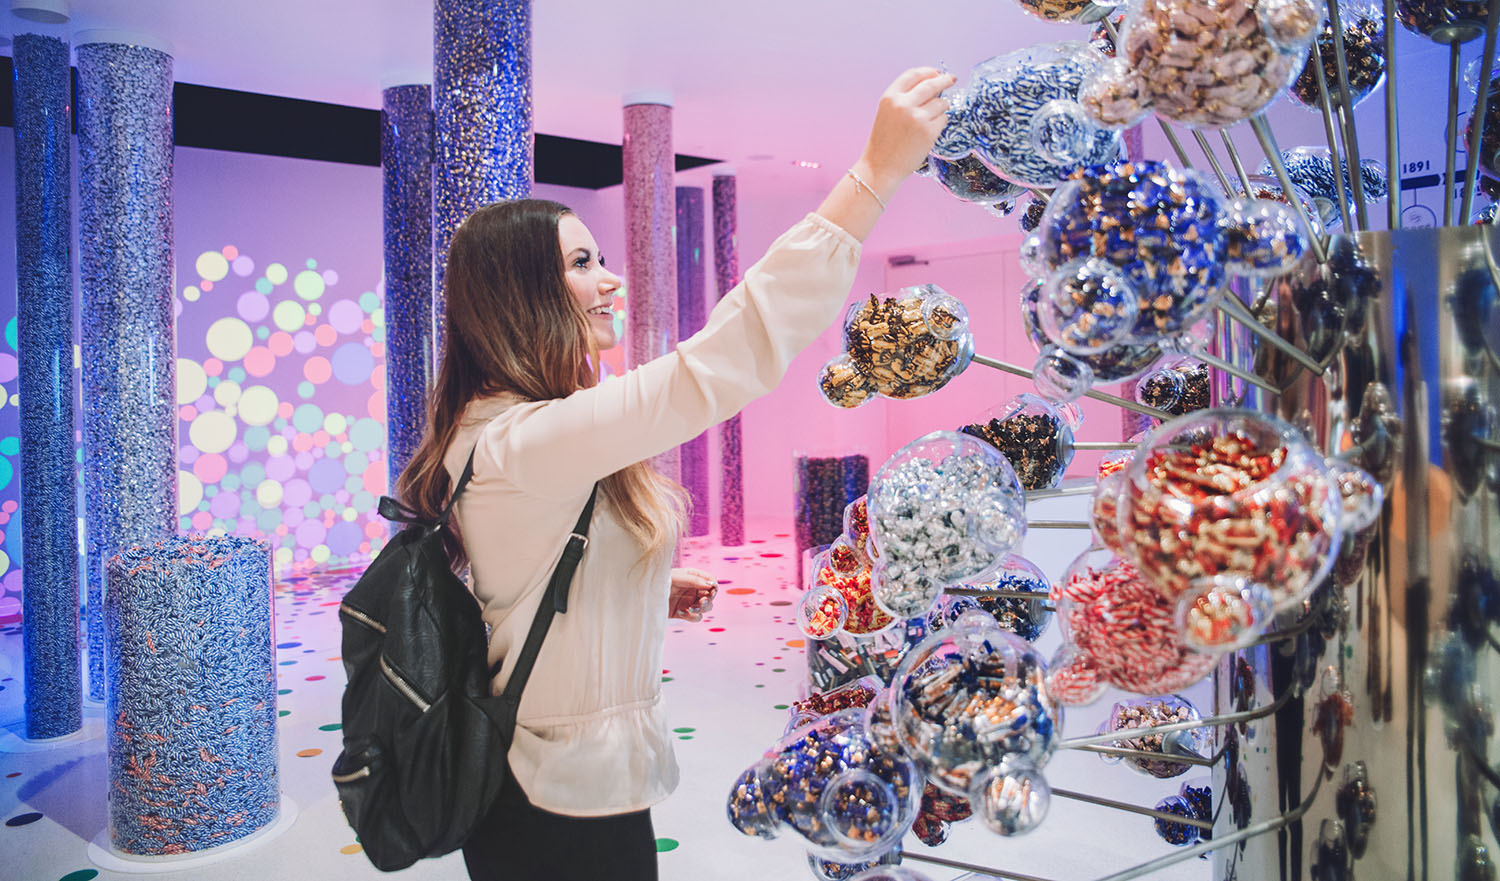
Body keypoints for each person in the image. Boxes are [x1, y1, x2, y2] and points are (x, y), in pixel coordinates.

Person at [394, 66, 953, 881]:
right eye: (582, 262)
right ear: (522, 297)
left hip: (565, 784)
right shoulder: (527, 438)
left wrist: (643, 581)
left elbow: (519, 577)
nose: (609, 278)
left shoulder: (504, 428)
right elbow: (722, 358)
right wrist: (873, 176)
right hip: (552, 805)